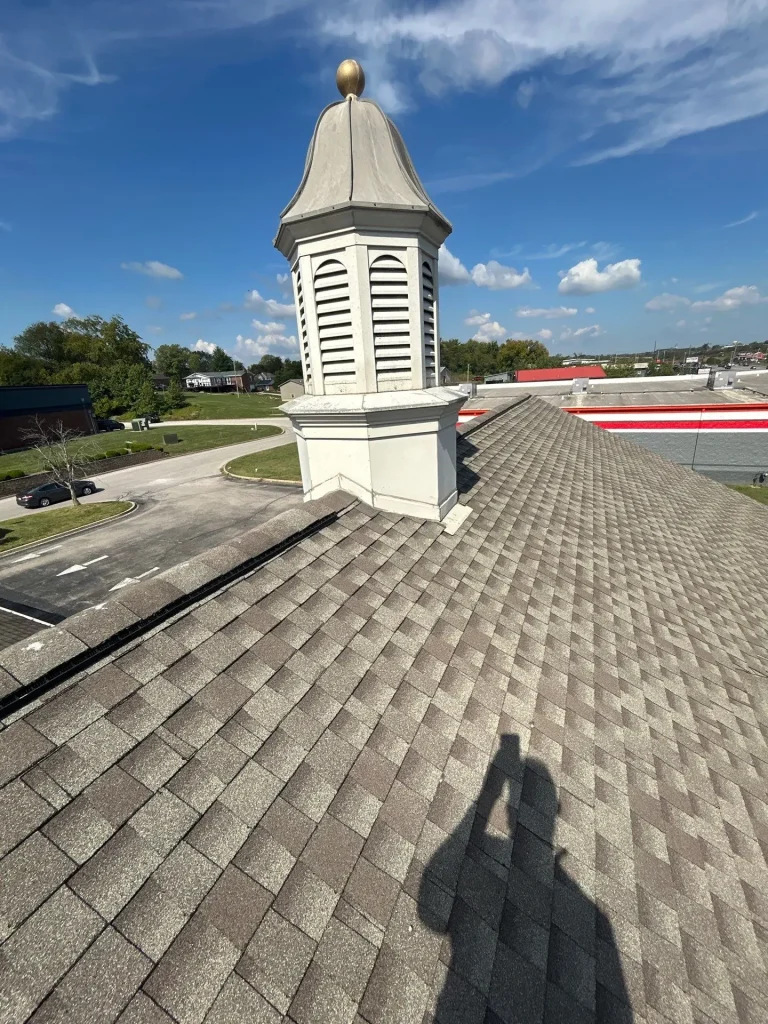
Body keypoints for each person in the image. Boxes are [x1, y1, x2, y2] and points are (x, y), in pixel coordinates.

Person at [419, 735, 633, 1023]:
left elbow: (430, 906)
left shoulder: (592, 915)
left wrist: (488, 794)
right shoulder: (595, 919)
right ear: (554, 811)